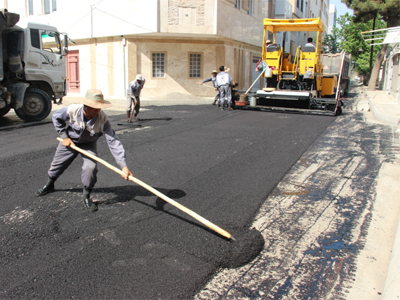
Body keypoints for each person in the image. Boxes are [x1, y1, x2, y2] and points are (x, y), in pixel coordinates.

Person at [36, 89, 133, 212]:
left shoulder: (102, 119)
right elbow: (56, 117)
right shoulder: (73, 110)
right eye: (95, 107)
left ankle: (86, 196)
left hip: (88, 144)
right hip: (70, 140)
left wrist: (123, 166)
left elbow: (113, 141)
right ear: (86, 106)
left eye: (100, 107)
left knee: (90, 167)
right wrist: (64, 137)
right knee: (58, 164)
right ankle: (49, 184)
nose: (98, 111)